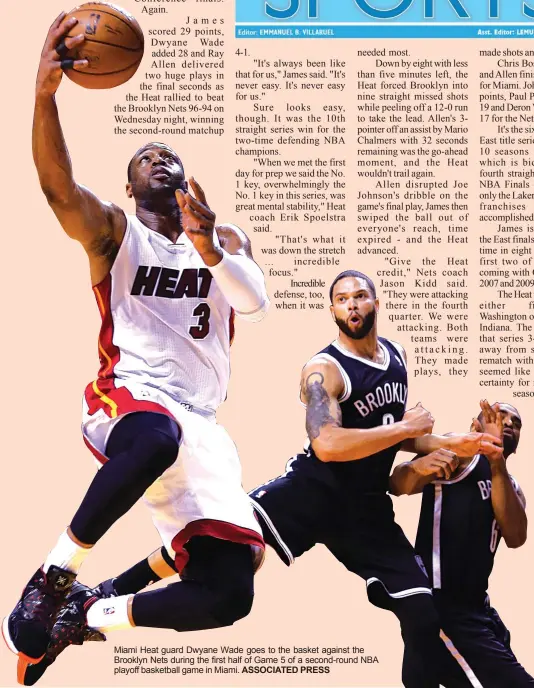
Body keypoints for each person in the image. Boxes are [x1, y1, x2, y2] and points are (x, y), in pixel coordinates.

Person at [22, 270, 502, 688]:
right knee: (224, 547)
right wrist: (407, 430)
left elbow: (388, 435)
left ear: (377, 301)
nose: (353, 304)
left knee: (421, 613)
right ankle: (102, 595)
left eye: (360, 295)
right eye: (342, 299)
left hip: (367, 508)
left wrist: (451, 441)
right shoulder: (323, 371)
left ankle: (94, 605)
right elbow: (328, 444)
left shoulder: (394, 356)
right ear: (333, 310)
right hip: (312, 491)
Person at [3, 11, 269, 684]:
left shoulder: (223, 239)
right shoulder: (116, 233)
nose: (163, 160)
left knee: (228, 593)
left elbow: (253, 303)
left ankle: (87, 616)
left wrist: (210, 246)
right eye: (146, 158)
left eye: (171, 157)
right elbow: (58, 189)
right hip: (132, 396)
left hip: (202, 424)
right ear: (129, 187)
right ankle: (55, 576)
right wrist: (44, 97)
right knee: (154, 437)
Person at [391, 401, 533, 687]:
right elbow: (397, 484)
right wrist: (418, 469)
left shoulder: (511, 485)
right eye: (499, 417)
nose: (508, 424)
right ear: (474, 427)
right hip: (443, 607)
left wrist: (496, 463)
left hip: (478, 608)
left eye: (515, 423)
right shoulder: (460, 457)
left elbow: (516, 537)